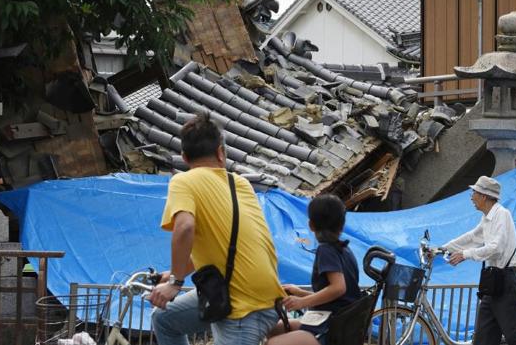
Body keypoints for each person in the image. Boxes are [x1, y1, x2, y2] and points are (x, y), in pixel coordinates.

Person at [148, 112, 285, 345]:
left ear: (184, 157)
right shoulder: (239, 182)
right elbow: (222, 244)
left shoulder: (183, 181)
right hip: (265, 293)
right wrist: (172, 272)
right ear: (221, 153)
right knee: (164, 318)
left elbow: (184, 228)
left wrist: (175, 282)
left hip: (243, 306)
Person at [443, 176, 516, 345]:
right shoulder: (487, 218)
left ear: (484, 196)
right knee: (483, 339)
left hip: (506, 281)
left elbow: (495, 248)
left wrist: (465, 254)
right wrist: (443, 248)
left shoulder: (502, 215)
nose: (471, 196)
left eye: (474, 192)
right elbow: (472, 237)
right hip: (493, 284)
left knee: (515, 337)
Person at [267, 194, 361, 345]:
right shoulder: (345, 250)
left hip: (329, 329)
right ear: (342, 225)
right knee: (273, 329)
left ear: (311, 225)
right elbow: (337, 298)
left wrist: (302, 302)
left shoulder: (326, 250)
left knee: (273, 342)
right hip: (338, 324)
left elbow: (338, 288)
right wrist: (300, 292)